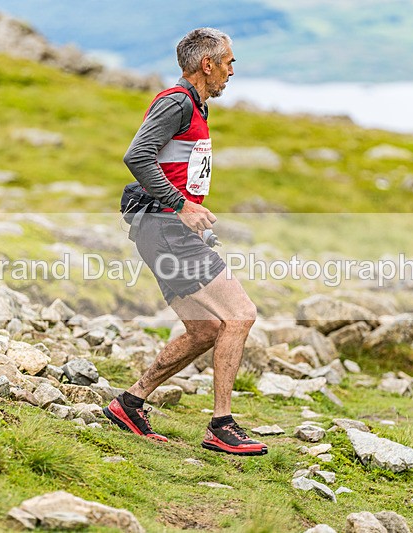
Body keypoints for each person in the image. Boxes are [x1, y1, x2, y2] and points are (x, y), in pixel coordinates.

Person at [103, 28, 267, 456]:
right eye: (229, 62)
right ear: (207, 64)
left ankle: (130, 403)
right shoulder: (177, 101)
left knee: (205, 328)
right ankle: (222, 425)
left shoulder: (195, 105)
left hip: (162, 228)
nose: (233, 70)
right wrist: (182, 206)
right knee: (240, 315)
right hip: (163, 227)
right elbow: (136, 155)